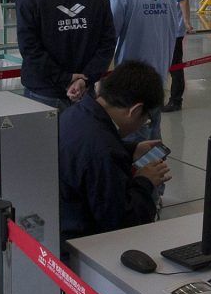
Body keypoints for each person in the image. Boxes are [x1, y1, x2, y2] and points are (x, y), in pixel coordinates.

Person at [58, 60, 171, 242]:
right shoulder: (104, 149)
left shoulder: (75, 112)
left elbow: (85, 158)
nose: (143, 124)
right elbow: (120, 223)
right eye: (146, 119)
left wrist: (130, 150)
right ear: (135, 110)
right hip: (82, 243)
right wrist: (145, 181)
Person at [16, 0, 116, 109]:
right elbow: (107, 44)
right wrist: (84, 79)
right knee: (82, 137)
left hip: (42, 94)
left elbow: (30, 50)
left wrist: (65, 78)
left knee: (42, 138)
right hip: (84, 93)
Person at [108, 0, 178, 141]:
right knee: (154, 136)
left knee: (133, 142)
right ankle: (155, 170)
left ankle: (141, 173)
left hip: (131, 84)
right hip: (158, 79)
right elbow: (173, 31)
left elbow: (108, 38)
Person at [147, 0, 193, 113]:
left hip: (173, 33)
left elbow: (183, 0)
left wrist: (187, 22)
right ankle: (159, 99)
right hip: (162, 31)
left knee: (175, 68)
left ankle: (176, 101)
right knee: (162, 66)